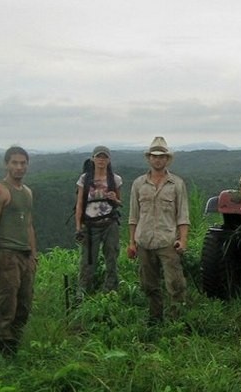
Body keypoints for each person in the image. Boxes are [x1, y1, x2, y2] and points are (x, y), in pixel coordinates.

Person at [128, 137, 190, 323]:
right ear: (149, 158)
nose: (157, 160)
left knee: (175, 284)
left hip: (167, 242)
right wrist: (131, 242)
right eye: (154, 156)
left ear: (167, 159)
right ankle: (155, 319)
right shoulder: (139, 184)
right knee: (149, 285)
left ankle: (176, 323)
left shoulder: (176, 184)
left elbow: (183, 216)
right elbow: (133, 216)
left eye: (161, 156)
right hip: (144, 241)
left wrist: (183, 240)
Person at [0, 146, 38, 356]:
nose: (19, 167)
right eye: (14, 163)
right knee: (6, 303)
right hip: (6, 253)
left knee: (24, 303)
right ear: (6, 164)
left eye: (23, 163)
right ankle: (1, 347)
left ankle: (14, 343)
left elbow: (29, 225)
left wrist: (33, 254)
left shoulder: (27, 192)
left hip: (25, 254)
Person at [75, 145, 123, 301]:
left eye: (105, 157)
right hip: (90, 226)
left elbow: (119, 202)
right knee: (88, 260)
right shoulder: (84, 179)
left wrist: (114, 198)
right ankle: (83, 291)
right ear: (93, 159)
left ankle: (110, 291)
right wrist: (78, 227)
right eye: (98, 157)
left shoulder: (115, 179)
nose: (101, 160)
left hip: (110, 223)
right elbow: (80, 204)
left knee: (112, 257)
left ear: (109, 160)